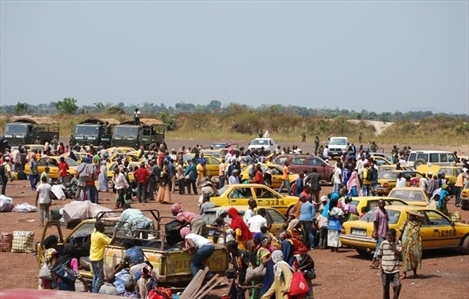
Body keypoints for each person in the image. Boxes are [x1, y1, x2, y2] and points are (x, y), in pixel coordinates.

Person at [90, 220, 117, 293]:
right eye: (103, 226)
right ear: (101, 227)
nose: (104, 228)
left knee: (95, 276)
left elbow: (97, 226)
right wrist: (114, 232)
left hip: (92, 257)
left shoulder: (93, 233)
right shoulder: (100, 236)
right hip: (98, 259)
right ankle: (95, 293)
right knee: (100, 278)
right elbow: (111, 242)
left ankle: (93, 291)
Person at [396, 210, 423, 280]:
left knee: (415, 256)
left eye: (412, 215)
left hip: (415, 243)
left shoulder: (418, 222)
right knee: (405, 257)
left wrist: (415, 213)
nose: (410, 216)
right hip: (406, 242)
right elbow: (401, 230)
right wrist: (397, 239)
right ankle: (404, 274)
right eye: (410, 215)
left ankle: (415, 273)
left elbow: (422, 216)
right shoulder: (406, 221)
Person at [377, 229, 402, 299]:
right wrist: (381, 265)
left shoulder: (398, 243)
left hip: (395, 269)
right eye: (387, 235)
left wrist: (393, 245)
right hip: (385, 269)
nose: (388, 237)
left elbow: (398, 253)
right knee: (386, 287)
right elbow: (379, 255)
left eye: (390, 236)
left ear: (394, 236)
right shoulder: (383, 243)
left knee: (398, 285)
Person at [370, 199, 390, 269]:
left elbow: (387, 222)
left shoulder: (385, 212)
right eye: (380, 204)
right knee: (379, 248)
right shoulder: (377, 212)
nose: (381, 205)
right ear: (378, 204)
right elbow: (375, 222)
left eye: (383, 203)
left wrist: (388, 231)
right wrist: (375, 232)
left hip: (385, 232)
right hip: (379, 232)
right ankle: (374, 261)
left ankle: (376, 263)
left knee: (381, 248)